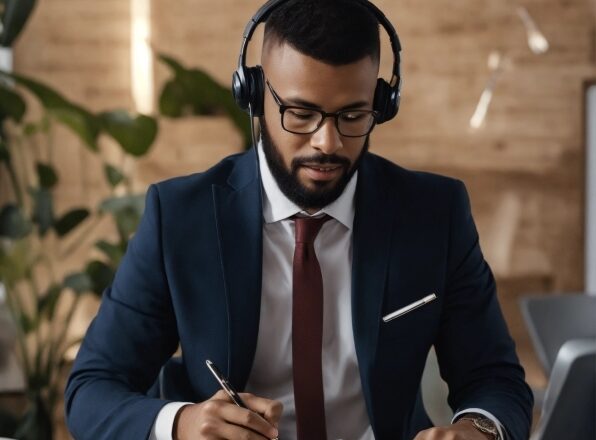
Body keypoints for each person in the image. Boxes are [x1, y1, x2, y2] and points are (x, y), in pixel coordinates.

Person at [64, 0, 534, 439]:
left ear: (382, 102)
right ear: (255, 97)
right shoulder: (180, 217)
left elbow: (494, 378)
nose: (327, 142)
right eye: (301, 113)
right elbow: (92, 388)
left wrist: (479, 429)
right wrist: (182, 422)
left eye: (353, 114)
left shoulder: (435, 214)